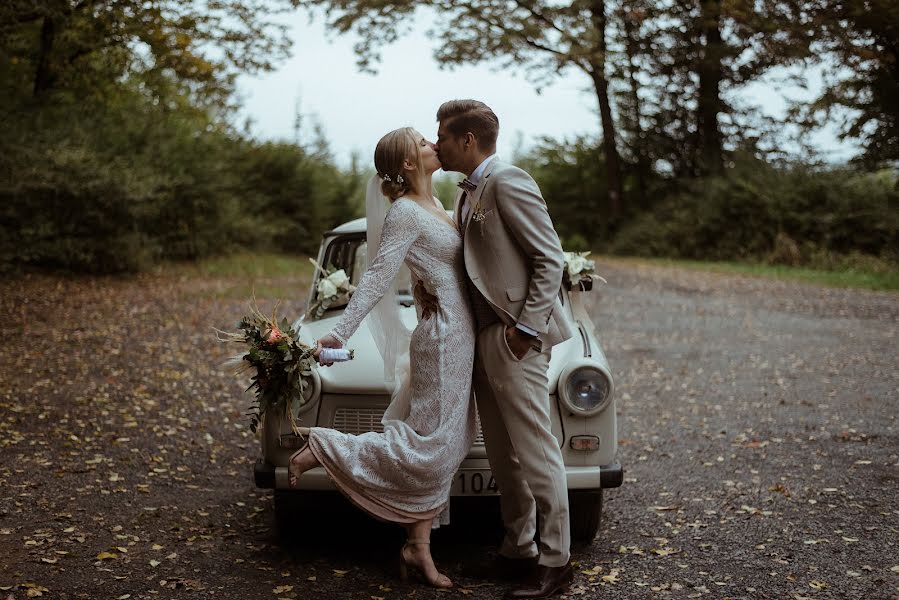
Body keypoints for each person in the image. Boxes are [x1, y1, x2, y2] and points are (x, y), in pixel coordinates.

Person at [286, 126, 478, 589]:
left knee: (448, 442)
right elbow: (376, 277)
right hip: (443, 338)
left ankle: (418, 549)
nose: (434, 144)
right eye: (423, 142)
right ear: (409, 163)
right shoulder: (405, 213)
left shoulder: (439, 205)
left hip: (461, 335)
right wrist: (337, 333)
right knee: (432, 448)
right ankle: (324, 446)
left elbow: (440, 268)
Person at [421, 99, 576, 600]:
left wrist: (526, 330)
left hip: (516, 338)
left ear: (468, 139)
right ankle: (518, 548)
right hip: (484, 337)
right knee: (504, 456)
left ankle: (556, 560)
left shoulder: (508, 180)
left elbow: (549, 258)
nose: (437, 142)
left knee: (535, 450)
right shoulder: (468, 194)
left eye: (442, 135)